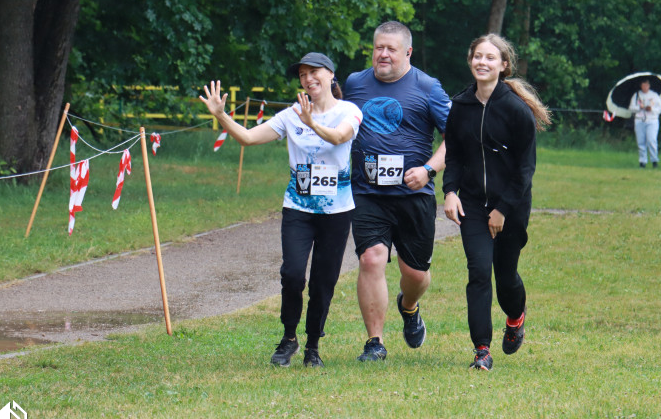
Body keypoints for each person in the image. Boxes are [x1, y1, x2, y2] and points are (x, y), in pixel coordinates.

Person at [199, 53, 362, 368]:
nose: (307, 79)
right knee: (292, 274)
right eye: (302, 75)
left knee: (323, 282)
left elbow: (341, 136)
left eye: (313, 72)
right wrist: (221, 114)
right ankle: (289, 337)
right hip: (298, 208)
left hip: (337, 212)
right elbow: (247, 138)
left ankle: (313, 346)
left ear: (330, 75)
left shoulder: (349, 111)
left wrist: (311, 122)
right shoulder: (291, 115)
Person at [343, 21, 450, 362]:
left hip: (413, 196)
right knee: (370, 258)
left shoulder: (429, 87)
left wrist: (429, 169)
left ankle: (410, 306)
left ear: (408, 52)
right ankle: (375, 343)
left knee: (415, 274)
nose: (383, 54)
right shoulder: (355, 83)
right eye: (378, 47)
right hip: (367, 193)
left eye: (391, 48)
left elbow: (457, 137)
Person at [443, 34, 551, 370]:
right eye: (477, 56)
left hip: (512, 207)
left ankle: (516, 318)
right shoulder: (460, 106)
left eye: (490, 58)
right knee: (478, 273)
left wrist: (503, 210)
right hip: (473, 204)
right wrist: (449, 191)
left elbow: (525, 169)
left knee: (505, 278)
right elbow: (455, 155)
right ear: (470, 60)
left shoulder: (516, 110)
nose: (482, 62)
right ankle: (481, 350)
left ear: (503, 65)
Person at [629, 78, 661, 168]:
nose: (645, 87)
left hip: (652, 120)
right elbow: (631, 108)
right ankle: (642, 161)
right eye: (643, 85)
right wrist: (639, 107)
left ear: (649, 86)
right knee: (641, 141)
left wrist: (651, 109)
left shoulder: (654, 95)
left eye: (646, 85)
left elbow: (660, 108)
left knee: (651, 140)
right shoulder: (636, 95)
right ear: (641, 86)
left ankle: (654, 160)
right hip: (639, 120)